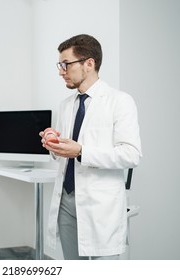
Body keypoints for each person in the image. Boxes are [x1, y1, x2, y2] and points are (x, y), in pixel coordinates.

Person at [40, 34, 142, 260]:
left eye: (65, 64)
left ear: (89, 64)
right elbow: (62, 154)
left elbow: (131, 154)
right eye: (60, 65)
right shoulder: (66, 105)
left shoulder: (119, 101)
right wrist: (52, 143)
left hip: (99, 206)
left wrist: (82, 151)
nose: (60, 71)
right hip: (66, 202)